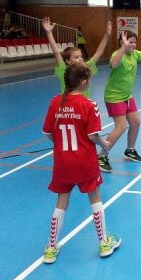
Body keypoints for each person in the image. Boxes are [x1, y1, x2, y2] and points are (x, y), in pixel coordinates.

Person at [42, 62, 121, 264]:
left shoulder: (55, 102)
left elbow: (48, 132)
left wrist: (60, 145)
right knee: (95, 198)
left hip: (63, 162)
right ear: (84, 82)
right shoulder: (89, 105)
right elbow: (93, 135)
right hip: (85, 161)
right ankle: (104, 243)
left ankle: (51, 248)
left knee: (61, 202)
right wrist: (104, 144)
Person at [42, 17, 113, 172]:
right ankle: (76, 162)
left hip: (84, 110)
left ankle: (87, 162)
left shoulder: (87, 68)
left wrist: (107, 35)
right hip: (69, 110)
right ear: (67, 61)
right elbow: (56, 52)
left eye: (81, 56)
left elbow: (99, 52)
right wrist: (49, 33)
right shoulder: (63, 69)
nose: (80, 59)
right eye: (76, 57)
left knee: (87, 137)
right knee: (76, 138)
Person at [100, 29, 141, 168]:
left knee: (135, 122)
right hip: (114, 97)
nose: (133, 45)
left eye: (135, 42)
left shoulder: (135, 54)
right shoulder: (117, 54)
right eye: (130, 42)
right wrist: (123, 47)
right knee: (121, 127)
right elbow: (113, 64)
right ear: (122, 42)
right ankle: (102, 156)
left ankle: (130, 150)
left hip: (127, 96)